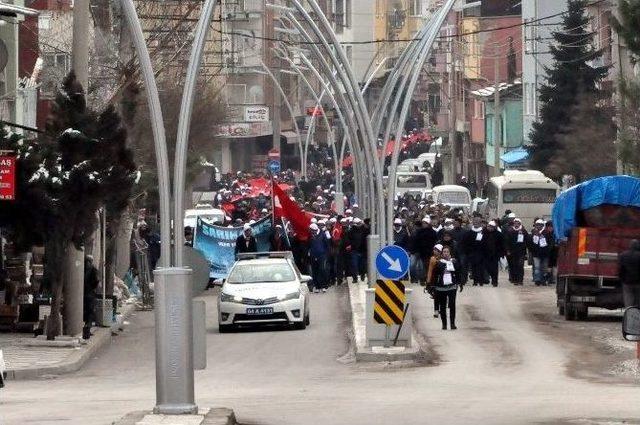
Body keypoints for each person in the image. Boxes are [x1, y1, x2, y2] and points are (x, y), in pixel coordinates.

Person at [432, 246, 463, 330]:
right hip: (441, 288)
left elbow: (458, 272)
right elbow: (434, 275)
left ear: (450, 253)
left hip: (452, 287)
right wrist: (433, 286)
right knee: (442, 306)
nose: (446, 253)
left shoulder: (454, 262)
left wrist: (460, 283)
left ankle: (452, 323)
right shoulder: (438, 263)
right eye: (444, 252)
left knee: (452, 304)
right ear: (442, 253)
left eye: (447, 252)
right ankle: (444, 324)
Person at [462, 216, 487, 286]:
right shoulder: (469, 233)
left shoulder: (484, 232)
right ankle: (475, 281)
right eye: (475, 221)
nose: (476, 222)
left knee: (481, 267)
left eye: (478, 221)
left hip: (481, 253)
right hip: (472, 253)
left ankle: (481, 281)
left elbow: (486, 243)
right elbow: (465, 243)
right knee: (474, 268)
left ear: (480, 222)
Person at [506, 218, 528, 285]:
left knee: (520, 266)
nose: (516, 224)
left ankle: (520, 280)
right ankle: (515, 279)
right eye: (515, 222)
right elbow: (507, 241)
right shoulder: (510, 230)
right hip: (512, 252)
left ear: (520, 223)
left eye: (518, 223)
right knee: (514, 266)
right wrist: (508, 250)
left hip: (521, 252)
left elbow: (527, 241)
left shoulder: (524, 231)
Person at [309, 223, 330, 292]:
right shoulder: (310, 236)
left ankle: (324, 285)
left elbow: (327, 245)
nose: (311, 232)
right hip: (313, 256)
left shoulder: (322, 235)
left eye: (312, 230)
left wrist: (326, 254)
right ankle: (317, 286)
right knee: (315, 271)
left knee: (322, 269)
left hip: (322, 255)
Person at [619, 240, 640, 307]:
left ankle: (628, 313)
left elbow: (621, 269)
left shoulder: (623, 255)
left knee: (628, 299)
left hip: (627, 282)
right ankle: (637, 313)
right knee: (638, 300)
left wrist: (622, 279)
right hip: (638, 283)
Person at [484, 221, 505, 287]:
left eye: (491, 227)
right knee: (487, 267)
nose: (490, 228)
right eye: (489, 226)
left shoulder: (499, 234)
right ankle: (489, 277)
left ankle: (495, 281)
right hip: (486, 254)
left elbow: (502, 244)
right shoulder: (484, 233)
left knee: (494, 269)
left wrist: (502, 253)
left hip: (495, 254)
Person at [529, 219, 550, 286]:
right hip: (536, 253)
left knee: (544, 268)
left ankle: (544, 280)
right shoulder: (533, 233)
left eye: (540, 225)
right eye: (537, 225)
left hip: (545, 253)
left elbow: (550, 243)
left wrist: (547, 250)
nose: (538, 226)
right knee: (537, 267)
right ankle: (537, 280)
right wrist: (532, 251)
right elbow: (531, 243)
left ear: (542, 225)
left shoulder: (546, 233)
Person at [83, 256, 99, 340]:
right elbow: (96, 281)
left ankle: (85, 327)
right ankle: (87, 328)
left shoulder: (81, 269)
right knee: (90, 312)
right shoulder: (93, 269)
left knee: (85, 312)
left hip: (81, 294)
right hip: (90, 294)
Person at [427, 244, 443, 318]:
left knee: (443, 296)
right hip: (435, 279)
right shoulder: (432, 259)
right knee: (436, 296)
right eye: (434, 250)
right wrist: (428, 281)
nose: (434, 251)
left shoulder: (445, 259)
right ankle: (436, 310)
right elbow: (430, 270)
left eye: (436, 250)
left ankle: (442, 309)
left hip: (444, 279)